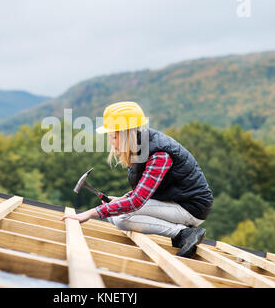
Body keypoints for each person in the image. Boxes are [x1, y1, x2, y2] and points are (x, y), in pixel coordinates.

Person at [61, 101, 213, 258]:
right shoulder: (141, 147)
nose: (111, 143)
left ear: (127, 133)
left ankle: (184, 233)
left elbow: (137, 201)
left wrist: (90, 213)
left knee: (122, 218)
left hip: (191, 207)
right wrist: (121, 199)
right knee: (114, 213)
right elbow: (146, 189)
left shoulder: (159, 154)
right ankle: (181, 231)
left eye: (114, 137)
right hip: (173, 201)